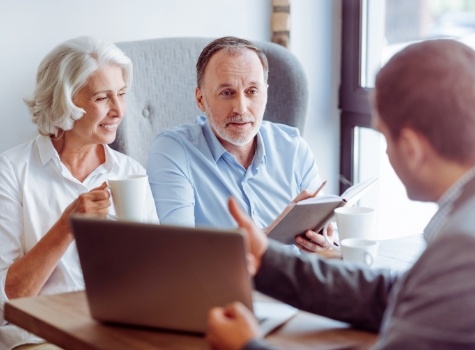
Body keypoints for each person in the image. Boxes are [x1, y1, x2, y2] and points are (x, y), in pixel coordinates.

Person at [205, 39, 475, 349]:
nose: (386, 151)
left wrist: (246, 346)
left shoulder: (462, 247)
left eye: (384, 137)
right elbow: (393, 294)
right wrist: (267, 259)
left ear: (412, 149)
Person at [0, 37, 158, 349]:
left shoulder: (131, 173)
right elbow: (11, 296)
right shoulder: (11, 171)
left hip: (117, 330)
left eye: (122, 95)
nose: (118, 111)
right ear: (65, 102)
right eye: (102, 98)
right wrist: (68, 225)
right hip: (40, 335)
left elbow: (154, 279)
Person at [147, 36, 331, 252]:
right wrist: (277, 232)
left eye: (252, 91)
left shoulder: (293, 146)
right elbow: (180, 253)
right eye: (227, 93)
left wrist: (323, 242)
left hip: (296, 282)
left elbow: (326, 242)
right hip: (221, 285)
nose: (241, 108)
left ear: (265, 93)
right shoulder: (173, 150)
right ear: (200, 99)